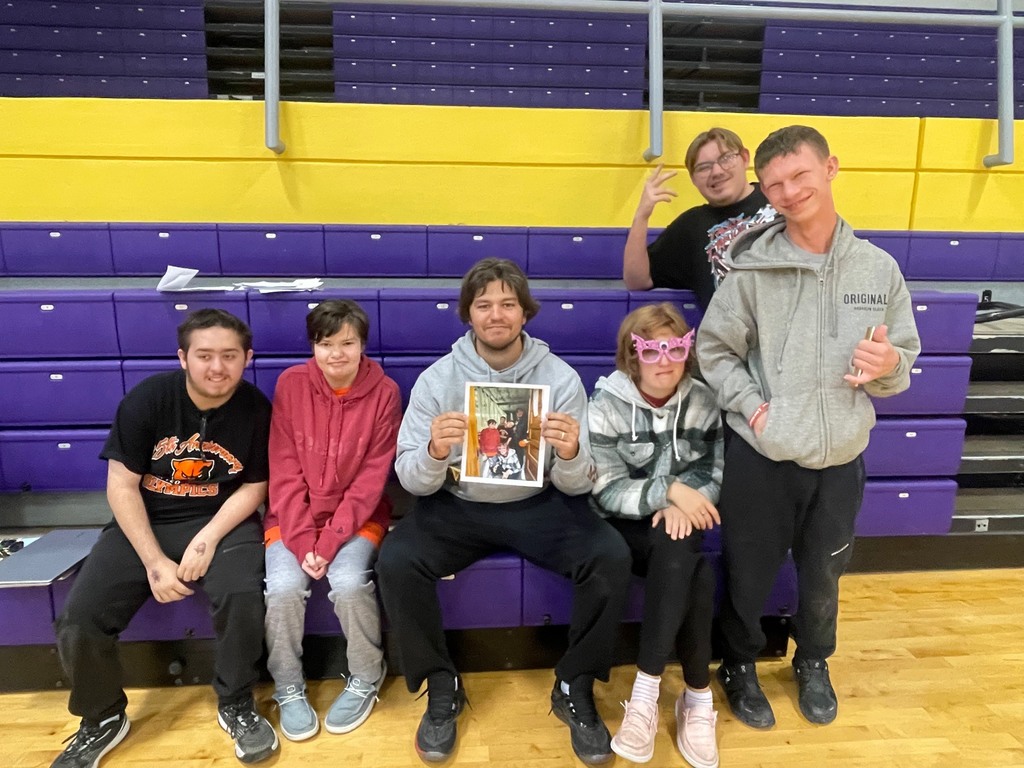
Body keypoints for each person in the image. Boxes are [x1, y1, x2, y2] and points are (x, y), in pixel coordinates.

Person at [696, 125, 921, 729]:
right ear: (764, 192)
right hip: (764, 452)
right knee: (748, 569)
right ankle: (738, 665)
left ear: (830, 169)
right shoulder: (750, 270)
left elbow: (902, 361)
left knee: (825, 571)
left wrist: (890, 366)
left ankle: (814, 660)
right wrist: (752, 405)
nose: (791, 192)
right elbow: (713, 352)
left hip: (842, 455)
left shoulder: (878, 269)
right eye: (775, 185)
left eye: (800, 175)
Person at [376, 257, 632, 765]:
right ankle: (440, 683)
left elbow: (579, 484)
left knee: (611, 556)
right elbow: (410, 479)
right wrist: (432, 452)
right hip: (458, 504)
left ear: (525, 313)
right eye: (484, 304)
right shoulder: (437, 380)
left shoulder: (558, 378)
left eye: (508, 304)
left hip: (539, 504)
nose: (497, 315)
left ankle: (574, 684)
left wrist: (570, 453)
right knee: (397, 561)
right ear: (468, 314)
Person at [51, 309, 278, 767]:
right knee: (80, 616)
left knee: (241, 594)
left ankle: (235, 703)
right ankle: (102, 719)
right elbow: (121, 485)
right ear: (183, 358)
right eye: (205, 355)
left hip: (222, 522)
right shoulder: (148, 399)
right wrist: (154, 561)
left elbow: (256, 486)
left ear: (247, 358)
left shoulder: (256, 408)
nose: (217, 367)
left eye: (230, 355)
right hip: (145, 523)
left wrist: (207, 539)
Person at [589, 303, 723, 767]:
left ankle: (648, 695)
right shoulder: (606, 404)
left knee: (686, 559)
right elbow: (605, 486)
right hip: (626, 527)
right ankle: (695, 695)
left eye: (675, 348)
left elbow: (713, 470)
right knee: (695, 570)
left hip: (681, 527)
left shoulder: (705, 403)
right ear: (633, 355)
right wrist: (668, 493)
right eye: (653, 351)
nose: (665, 361)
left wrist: (686, 500)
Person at [262, 300, 401, 742]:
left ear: (362, 345)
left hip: (357, 518)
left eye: (348, 343)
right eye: (326, 344)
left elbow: (372, 479)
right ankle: (287, 684)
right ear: (313, 347)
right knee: (283, 588)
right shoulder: (291, 384)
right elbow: (283, 469)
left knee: (347, 583)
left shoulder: (385, 393)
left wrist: (333, 539)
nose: (337, 354)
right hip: (292, 517)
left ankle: (366, 673)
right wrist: (306, 542)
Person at [623, 127, 778, 309]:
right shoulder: (691, 227)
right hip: (727, 334)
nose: (717, 171)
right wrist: (641, 215)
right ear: (694, 179)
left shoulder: (780, 197)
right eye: (704, 168)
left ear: (744, 158)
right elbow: (637, 281)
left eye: (726, 159)